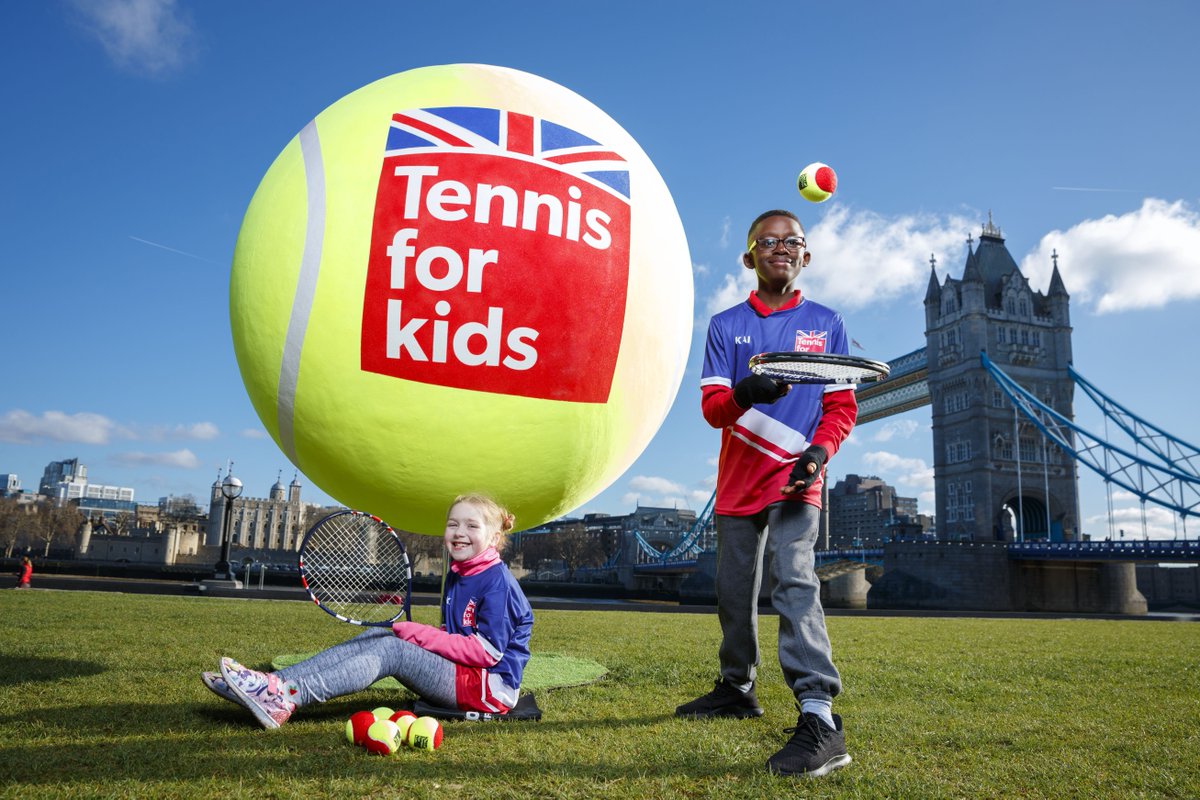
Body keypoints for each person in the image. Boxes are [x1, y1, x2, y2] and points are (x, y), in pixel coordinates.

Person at [676, 209, 857, 778]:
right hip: (736, 484)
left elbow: (841, 407)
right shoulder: (725, 326)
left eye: (794, 241)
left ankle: (820, 717)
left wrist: (819, 453)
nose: (782, 247)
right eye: (769, 240)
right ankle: (737, 687)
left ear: (805, 257)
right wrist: (745, 392)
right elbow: (712, 411)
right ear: (750, 255)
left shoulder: (828, 323)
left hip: (797, 477)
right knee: (733, 596)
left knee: (795, 581)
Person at [203, 493, 534, 729]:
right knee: (381, 633)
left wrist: (423, 635)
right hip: (466, 675)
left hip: (489, 689)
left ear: (494, 538)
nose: (460, 532)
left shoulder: (497, 582)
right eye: (452, 524)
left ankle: (289, 696)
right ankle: (271, 685)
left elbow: (487, 652)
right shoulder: (463, 573)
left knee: (392, 650)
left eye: (472, 526)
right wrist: (426, 637)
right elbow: (457, 637)